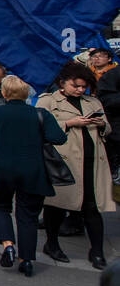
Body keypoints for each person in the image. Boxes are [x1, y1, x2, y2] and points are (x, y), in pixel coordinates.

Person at [0, 75, 67, 277]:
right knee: (28, 216)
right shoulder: (39, 114)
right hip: (31, 170)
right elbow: (58, 138)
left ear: (4, 92)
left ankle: (8, 244)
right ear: (27, 93)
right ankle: (26, 260)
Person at [37, 61, 114, 270]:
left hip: (92, 164)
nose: (80, 90)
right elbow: (39, 128)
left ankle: (96, 251)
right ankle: (52, 244)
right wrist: (70, 123)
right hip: (63, 164)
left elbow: (107, 128)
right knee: (56, 207)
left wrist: (101, 124)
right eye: (76, 85)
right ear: (62, 83)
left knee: (93, 208)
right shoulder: (48, 101)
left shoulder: (93, 102)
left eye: (84, 86)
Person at [88, 46, 120, 184]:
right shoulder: (113, 75)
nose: (97, 58)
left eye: (100, 56)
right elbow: (106, 99)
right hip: (116, 127)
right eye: (95, 56)